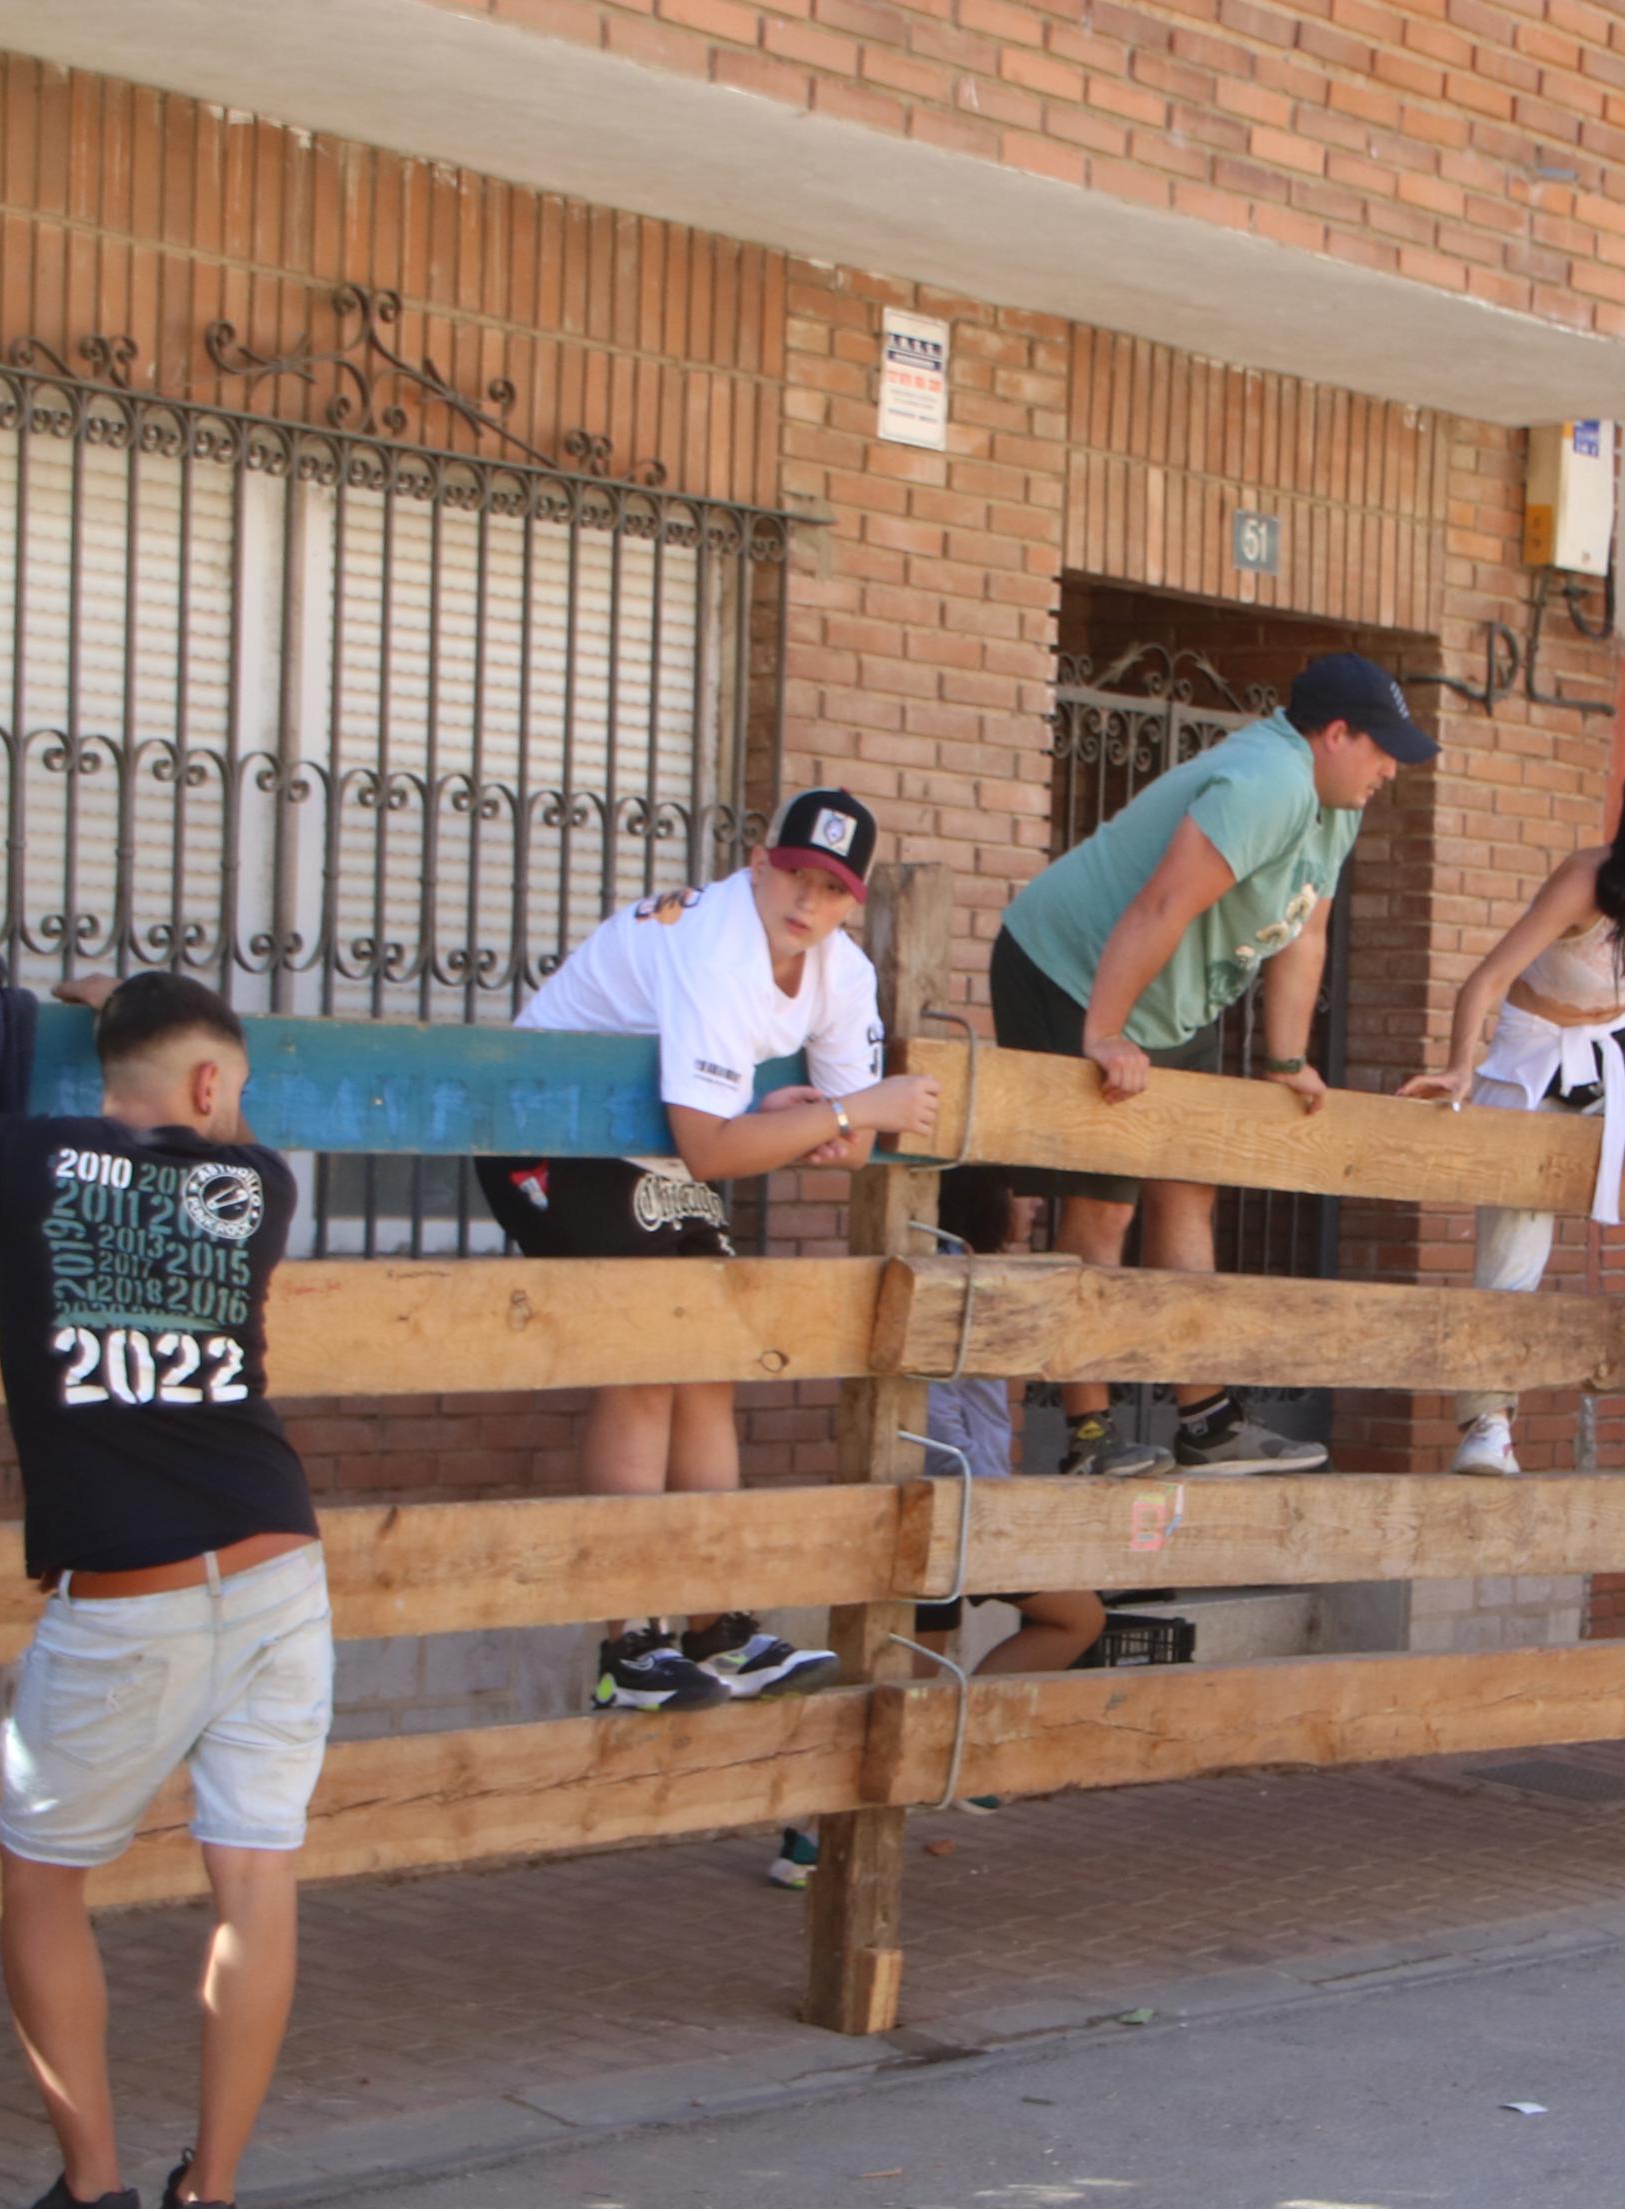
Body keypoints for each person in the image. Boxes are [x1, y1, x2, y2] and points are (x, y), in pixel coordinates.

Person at [0, 962, 330, 2209]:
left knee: (46, 1876)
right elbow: (181, 1126)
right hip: (280, 1571)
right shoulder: (258, 1184)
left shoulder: (18, 1156)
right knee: (254, 1879)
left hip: (127, 1599)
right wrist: (134, 1007)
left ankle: (93, 2194)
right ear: (215, 1083)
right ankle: (209, 2203)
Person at [477, 788, 938, 1714]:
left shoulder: (838, 970)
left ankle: (717, 1625)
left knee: (712, 1365)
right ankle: (630, 1649)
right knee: (652, 1362)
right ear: (760, 860)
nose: (806, 902)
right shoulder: (717, 946)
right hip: (543, 1129)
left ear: (854, 903)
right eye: (794, 875)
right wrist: (845, 1110)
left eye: (831, 889)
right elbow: (724, 1149)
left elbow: (842, 1149)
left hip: (640, 1139)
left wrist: (823, 1117)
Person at [995, 651, 1436, 1480]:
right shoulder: (1267, 782)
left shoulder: (1337, 805)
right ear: (1334, 735)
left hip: (1170, 1000)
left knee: (1188, 1190)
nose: (1390, 770)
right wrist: (1102, 1033)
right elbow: (1162, 901)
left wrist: (1285, 1060)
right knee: (1104, 1208)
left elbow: (1304, 933)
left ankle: (1205, 1420)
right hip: (1069, 969)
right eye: (1382, 750)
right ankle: (1085, 1441)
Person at [1400, 742, 1625, 1475]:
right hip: (1539, 1054)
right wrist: (1461, 1066)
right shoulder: (1586, 879)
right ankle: (1486, 1421)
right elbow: (1488, 976)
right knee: (1516, 1236)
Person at [767, 1166, 1111, 1890]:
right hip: (947, 1508)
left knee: (1050, 1623)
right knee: (904, 1680)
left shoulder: (967, 1271)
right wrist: (968, 1498)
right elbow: (937, 1410)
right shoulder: (956, 1280)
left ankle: (959, 1756)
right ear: (982, 1205)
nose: (1031, 1203)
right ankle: (814, 1831)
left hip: (963, 1506)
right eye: (1018, 1192)